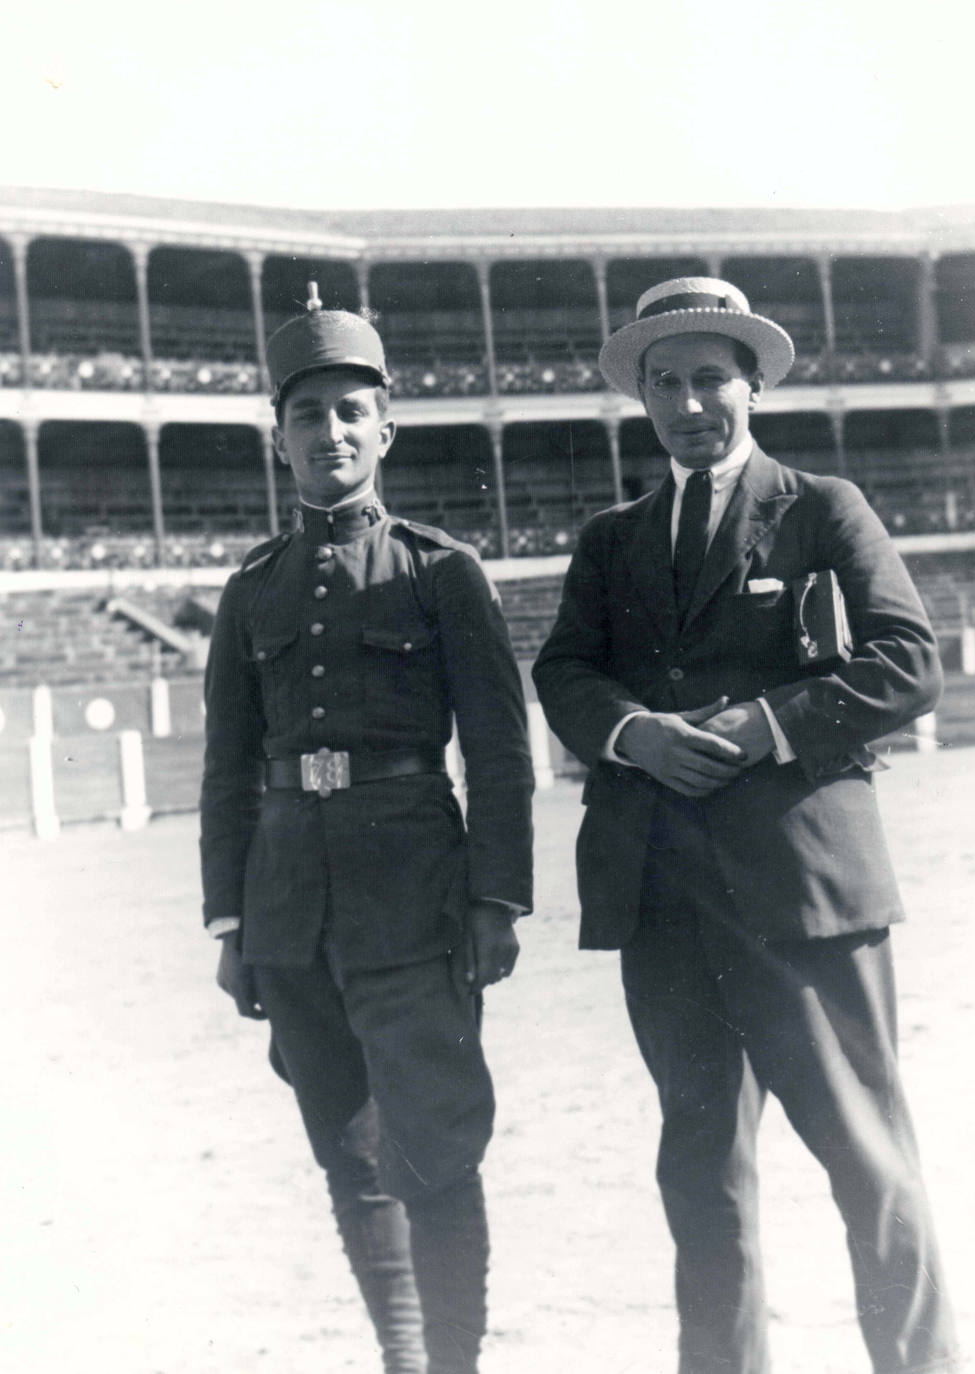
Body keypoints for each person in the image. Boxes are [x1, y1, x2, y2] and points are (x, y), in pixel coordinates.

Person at [533, 278, 959, 1374]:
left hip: (799, 894)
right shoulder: (612, 540)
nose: (686, 404)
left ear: (752, 383)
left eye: (708, 378)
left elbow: (907, 661)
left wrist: (763, 723)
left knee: (866, 1162)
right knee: (700, 1174)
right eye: (662, 383)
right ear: (639, 396)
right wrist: (634, 735)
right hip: (664, 898)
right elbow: (565, 671)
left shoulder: (822, 505)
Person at [200, 286, 535, 1374]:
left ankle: (453, 1360)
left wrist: (495, 899)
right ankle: (402, 1356)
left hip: (414, 902)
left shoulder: (441, 573)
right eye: (308, 415)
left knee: (431, 1146)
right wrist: (230, 923)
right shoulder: (251, 589)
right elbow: (226, 769)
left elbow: (496, 755)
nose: (330, 434)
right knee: (345, 1149)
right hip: (290, 910)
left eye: (351, 412)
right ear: (279, 437)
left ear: (383, 430)